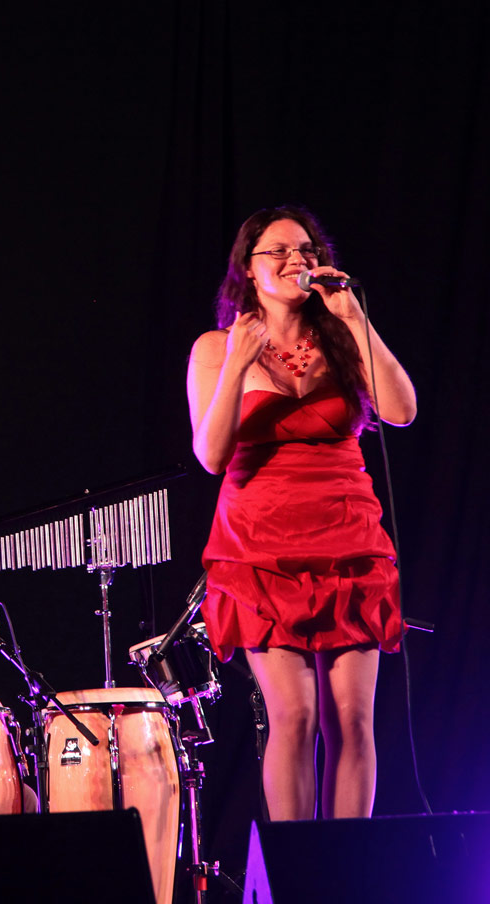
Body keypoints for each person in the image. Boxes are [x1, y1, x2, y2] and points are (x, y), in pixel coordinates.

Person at [187, 206, 416, 821]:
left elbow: (402, 410)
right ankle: (295, 878)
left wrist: (354, 318)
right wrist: (238, 361)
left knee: (354, 719)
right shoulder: (216, 348)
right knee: (296, 715)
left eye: (306, 250)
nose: (297, 261)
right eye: (279, 251)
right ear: (248, 268)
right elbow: (210, 455)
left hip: (347, 532)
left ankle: (345, 872)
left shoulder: (343, 335)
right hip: (260, 544)